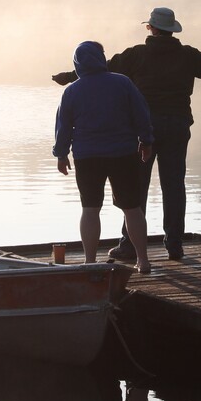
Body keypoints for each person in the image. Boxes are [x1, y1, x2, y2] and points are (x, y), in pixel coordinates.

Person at [53, 7, 201, 262]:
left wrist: (67, 77)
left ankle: (129, 247)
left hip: (144, 130)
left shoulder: (136, 55)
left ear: (150, 28)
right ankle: (175, 246)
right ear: (172, 30)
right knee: (174, 186)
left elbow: (99, 69)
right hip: (177, 127)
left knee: (136, 189)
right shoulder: (188, 55)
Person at [53, 40, 155, 274]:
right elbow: (141, 113)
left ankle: (90, 262)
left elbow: (63, 126)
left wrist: (61, 154)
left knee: (90, 208)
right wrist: (146, 141)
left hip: (87, 157)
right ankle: (143, 261)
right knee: (132, 208)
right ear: (101, 58)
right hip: (123, 153)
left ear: (77, 63)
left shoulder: (72, 90)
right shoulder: (122, 83)